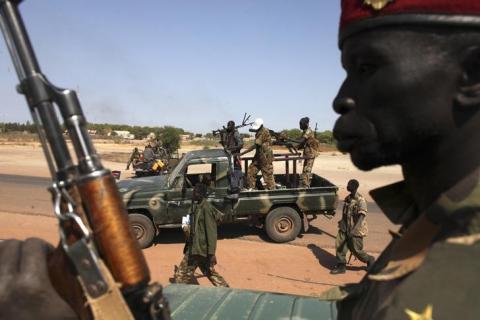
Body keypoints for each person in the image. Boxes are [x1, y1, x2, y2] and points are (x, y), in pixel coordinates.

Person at [320, 1, 480, 319]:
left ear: (472, 75)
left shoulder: (459, 286)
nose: (341, 99)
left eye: (366, 68)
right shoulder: (432, 223)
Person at [173, 182, 229, 287]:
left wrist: (212, 253)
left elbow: (211, 232)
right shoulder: (196, 206)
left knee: (181, 275)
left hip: (199, 249)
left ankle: (178, 291)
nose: (192, 194)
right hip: (195, 247)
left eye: (194, 192)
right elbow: (189, 221)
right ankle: (225, 288)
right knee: (209, 272)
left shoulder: (206, 208)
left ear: (199, 194)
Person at [330, 179, 374, 275]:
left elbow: (362, 216)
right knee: (339, 245)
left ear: (354, 187)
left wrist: (353, 230)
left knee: (357, 250)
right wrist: (343, 224)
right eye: (348, 184)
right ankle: (341, 266)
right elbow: (345, 213)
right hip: (345, 227)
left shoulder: (360, 200)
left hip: (356, 230)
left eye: (349, 185)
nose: (347, 186)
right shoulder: (347, 198)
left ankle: (369, 260)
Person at [239, 118, 275, 190]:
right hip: (259, 156)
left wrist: (242, 153)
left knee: (267, 175)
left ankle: (272, 192)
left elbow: (255, 145)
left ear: (261, 125)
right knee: (251, 171)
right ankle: (251, 188)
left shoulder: (264, 132)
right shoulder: (259, 131)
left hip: (265, 157)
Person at [221, 120, 244, 193]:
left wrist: (231, 149)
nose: (228, 128)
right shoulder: (227, 133)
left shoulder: (235, 133)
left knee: (236, 173)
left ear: (233, 126)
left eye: (230, 126)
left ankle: (236, 189)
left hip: (235, 157)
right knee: (229, 173)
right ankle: (231, 187)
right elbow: (224, 143)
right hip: (228, 156)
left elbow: (240, 145)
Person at [297, 117, 320, 187]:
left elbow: (301, 141)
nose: (300, 126)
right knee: (304, 171)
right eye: (299, 124)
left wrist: (290, 141)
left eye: (301, 124)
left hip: (311, 154)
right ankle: (304, 185)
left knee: (307, 172)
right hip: (307, 155)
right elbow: (301, 142)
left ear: (306, 124)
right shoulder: (305, 131)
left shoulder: (308, 131)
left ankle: (306, 187)